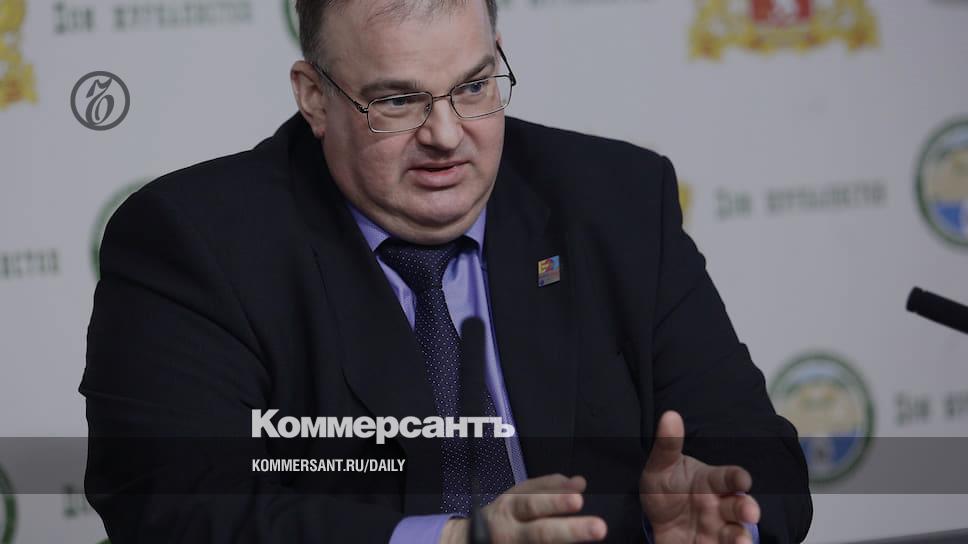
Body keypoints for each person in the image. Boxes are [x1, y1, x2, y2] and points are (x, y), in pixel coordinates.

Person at [81, 0, 812, 542]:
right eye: (398, 100)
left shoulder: (615, 200)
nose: (446, 135)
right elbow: (173, 506)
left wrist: (716, 520)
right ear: (314, 97)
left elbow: (757, 455)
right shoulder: (194, 242)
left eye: (473, 87)